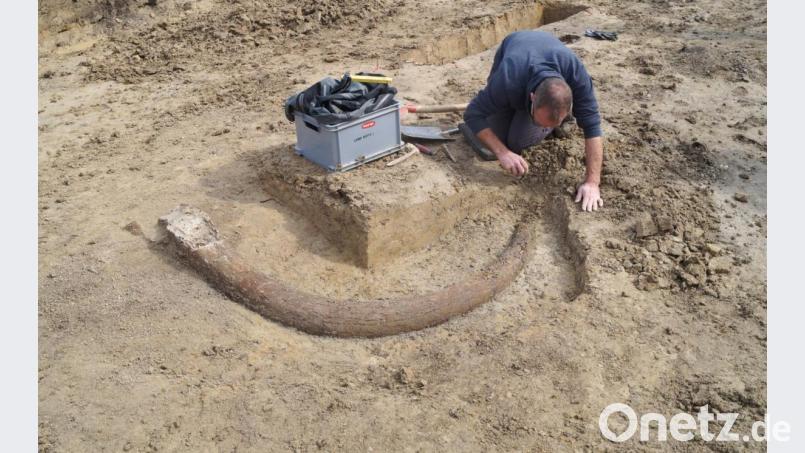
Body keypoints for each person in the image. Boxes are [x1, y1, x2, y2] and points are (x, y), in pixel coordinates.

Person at [463, 30, 604, 212]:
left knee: (518, 141)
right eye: (541, 123)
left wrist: (592, 182)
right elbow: (472, 114)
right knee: (498, 136)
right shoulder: (508, 79)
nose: (544, 128)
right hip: (513, 48)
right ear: (532, 98)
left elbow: (593, 128)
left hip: (539, 54)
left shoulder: (577, 77)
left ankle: (550, 121)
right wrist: (503, 153)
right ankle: (528, 118)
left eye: (551, 125)